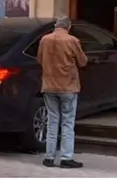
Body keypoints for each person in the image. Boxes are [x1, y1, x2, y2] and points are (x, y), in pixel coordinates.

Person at [36, 17, 87, 169]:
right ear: (68, 27)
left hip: (49, 86)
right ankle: (66, 158)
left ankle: (49, 157)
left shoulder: (44, 40)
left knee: (52, 121)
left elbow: (39, 59)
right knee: (67, 123)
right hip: (68, 87)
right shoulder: (73, 41)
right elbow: (83, 61)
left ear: (56, 26)